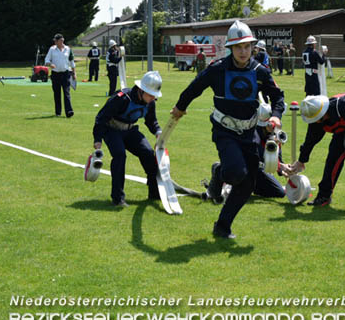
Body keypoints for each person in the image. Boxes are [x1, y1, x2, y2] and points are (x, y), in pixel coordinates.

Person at [171, 20, 285, 239]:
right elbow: (195, 87)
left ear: (253, 47)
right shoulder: (217, 69)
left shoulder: (261, 71)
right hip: (224, 131)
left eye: (247, 46)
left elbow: (278, 97)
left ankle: (222, 226)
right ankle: (219, 172)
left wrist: (276, 116)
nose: (243, 51)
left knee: (248, 183)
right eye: (238, 47)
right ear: (231, 48)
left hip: (250, 133)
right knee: (235, 173)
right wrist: (180, 107)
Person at [93, 71, 163, 207]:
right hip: (111, 130)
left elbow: (151, 121)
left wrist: (158, 132)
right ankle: (118, 198)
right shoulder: (121, 98)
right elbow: (102, 117)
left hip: (130, 131)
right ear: (141, 90)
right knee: (120, 156)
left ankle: (154, 193)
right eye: (150, 95)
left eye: (154, 96)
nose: (152, 98)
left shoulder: (150, 102)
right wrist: (97, 139)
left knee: (148, 153)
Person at [45, 33, 76, 118]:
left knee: (67, 93)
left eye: (56, 40)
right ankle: (58, 112)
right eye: (55, 40)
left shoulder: (68, 49)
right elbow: (46, 60)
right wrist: (50, 64)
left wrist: (74, 73)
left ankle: (69, 111)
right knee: (57, 93)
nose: (55, 41)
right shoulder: (52, 49)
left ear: (61, 40)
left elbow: (72, 62)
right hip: (55, 74)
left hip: (65, 74)